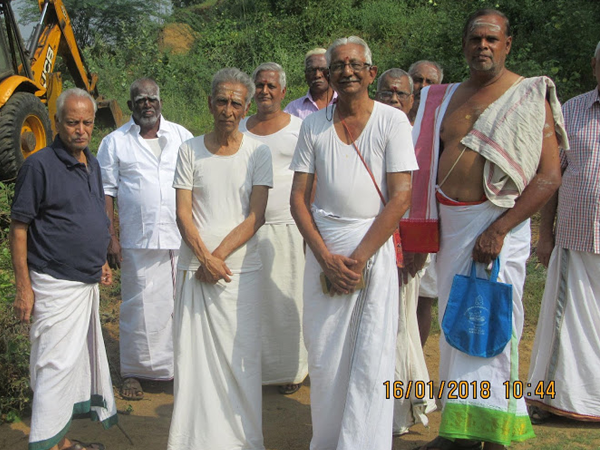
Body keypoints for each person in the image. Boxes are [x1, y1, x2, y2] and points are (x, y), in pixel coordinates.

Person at [412, 9, 565, 450]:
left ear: (507, 44)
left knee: (496, 327)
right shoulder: (443, 98)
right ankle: (455, 431)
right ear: (464, 45)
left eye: (492, 39)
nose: (483, 46)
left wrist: (500, 229)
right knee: (452, 323)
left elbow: (549, 176)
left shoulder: (527, 95)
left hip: (497, 228)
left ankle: (495, 432)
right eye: (475, 38)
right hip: (452, 226)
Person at [290, 36, 417, 449]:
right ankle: (328, 440)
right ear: (329, 74)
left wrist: (358, 259)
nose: (346, 71)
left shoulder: (392, 122)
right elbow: (298, 199)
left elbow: (401, 196)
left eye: (354, 64)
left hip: (371, 254)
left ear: (370, 72)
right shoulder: (313, 125)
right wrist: (326, 258)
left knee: (370, 359)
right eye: (338, 65)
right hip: (325, 252)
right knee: (324, 356)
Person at [167, 68, 272, 450]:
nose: (228, 109)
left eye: (236, 103)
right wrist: (202, 258)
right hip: (195, 271)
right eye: (222, 101)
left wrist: (218, 258)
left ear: (246, 108)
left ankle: (242, 442)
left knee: (240, 360)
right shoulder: (188, 150)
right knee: (193, 364)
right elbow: (183, 213)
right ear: (210, 103)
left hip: (239, 273)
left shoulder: (258, 152)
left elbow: (256, 215)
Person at [10, 88, 117, 450]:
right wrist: (24, 288)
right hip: (54, 285)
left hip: (85, 284)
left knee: (70, 370)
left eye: (87, 123)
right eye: (72, 123)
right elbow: (19, 228)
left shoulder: (93, 163)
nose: (81, 130)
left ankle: (61, 442)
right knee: (54, 369)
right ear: (57, 123)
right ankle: (44, 444)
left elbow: (94, 216)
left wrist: (101, 258)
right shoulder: (38, 166)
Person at [97, 78, 193, 401]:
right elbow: (106, 192)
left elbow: (196, 184)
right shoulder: (114, 142)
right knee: (137, 307)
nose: (147, 104)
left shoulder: (181, 137)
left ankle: (177, 370)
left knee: (177, 306)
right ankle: (134, 372)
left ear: (161, 101)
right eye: (140, 100)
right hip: (136, 242)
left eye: (152, 98)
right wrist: (111, 237)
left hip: (179, 239)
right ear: (130, 106)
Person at [526, 41, 600, 424]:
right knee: (563, 325)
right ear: (594, 65)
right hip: (576, 237)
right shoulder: (572, 109)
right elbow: (553, 177)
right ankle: (551, 400)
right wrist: (545, 235)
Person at [375, 67, 437, 436]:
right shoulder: (370, 127)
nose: (394, 99)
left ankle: (401, 410)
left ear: (413, 100)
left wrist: (418, 246)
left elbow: (425, 195)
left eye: (401, 94)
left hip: (407, 246)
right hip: (371, 239)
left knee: (401, 324)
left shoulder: (424, 136)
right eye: (386, 93)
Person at [240, 62, 308, 395]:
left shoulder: (300, 128)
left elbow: (313, 179)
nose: (264, 91)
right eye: (259, 85)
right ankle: (257, 369)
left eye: (271, 86)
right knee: (255, 301)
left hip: (289, 228)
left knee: (287, 300)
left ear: (283, 91)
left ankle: (290, 372)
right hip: (249, 230)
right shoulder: (240, 129)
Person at [284, 48, 337, 119]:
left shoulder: (345, 103)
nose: (317, 75)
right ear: (305, 74)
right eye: (312, 70)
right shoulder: (293, 109)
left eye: (322, 69)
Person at [407, 60, 443, 124]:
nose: (423, 86)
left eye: (430, 82)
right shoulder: (394, 117)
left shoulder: (441, 123)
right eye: (417, 80)